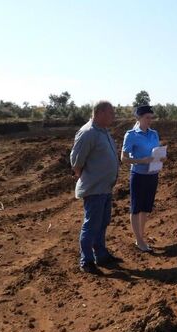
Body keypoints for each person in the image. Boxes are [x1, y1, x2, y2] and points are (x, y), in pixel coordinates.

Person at [70, 101, 122, 274]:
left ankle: (101, 255)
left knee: (102, 223)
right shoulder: (88, 133)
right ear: (99, 113)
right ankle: (87, 261)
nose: (113, 117)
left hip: (106, 187)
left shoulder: (103, 131)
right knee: (91, 225)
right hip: (95, 188)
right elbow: (76, 162)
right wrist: (88, 177)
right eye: (110, 113)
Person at [120, 105, 165, 252]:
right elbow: (123, 159)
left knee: (146, 208)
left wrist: (161, 157)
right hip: (138, 175)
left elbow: (155, 152)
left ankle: (141, 236)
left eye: (151, 118)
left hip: (152, 175)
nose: (150, 120)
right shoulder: (131, 135)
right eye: (147, 118)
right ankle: (139, 240)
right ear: (138, 118)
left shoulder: (154, 134)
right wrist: (141, 161)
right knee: (136, 208)